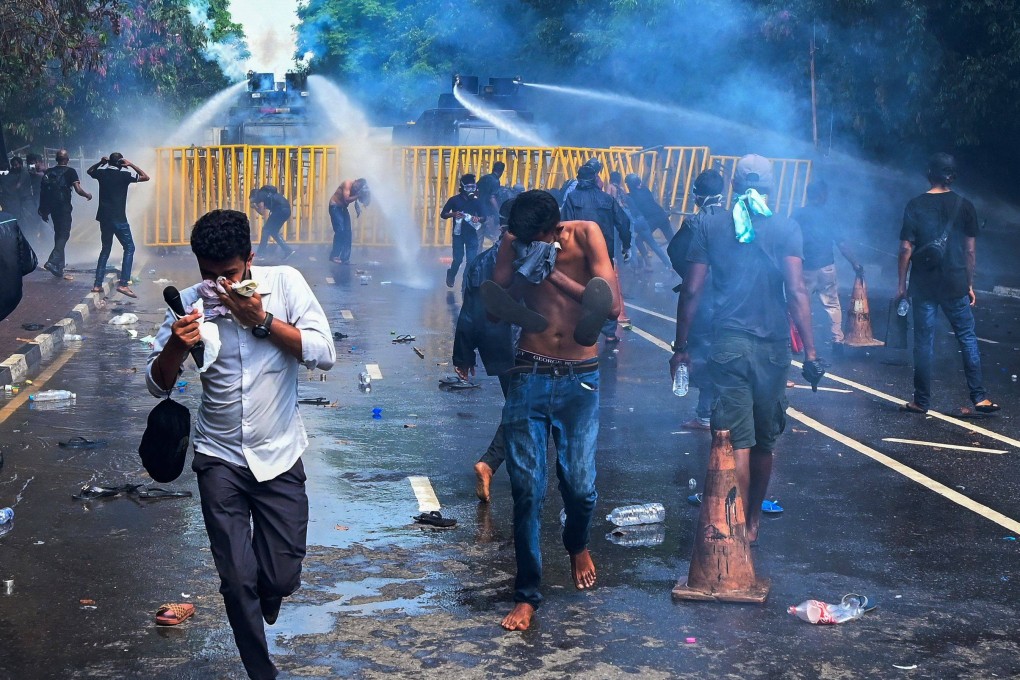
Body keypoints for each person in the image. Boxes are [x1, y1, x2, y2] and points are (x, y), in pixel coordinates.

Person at [146, 209, 335, 679]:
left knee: (280, 576)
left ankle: (269, 592)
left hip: (280, 454)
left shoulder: (286, 283)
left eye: (227, 275)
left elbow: (324, 354)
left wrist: (261, 319)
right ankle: (260, 670)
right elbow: (156, 383)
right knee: (235, 580)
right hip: (218, 457)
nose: (217, 287)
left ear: (250, 259)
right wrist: (175, 343)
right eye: (208, 276)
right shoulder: (189, 301)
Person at [670, 154, 825, 545]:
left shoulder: (710, 224)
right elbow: (797, 291)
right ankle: (752, 523)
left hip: (729, 344)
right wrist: (810, 353)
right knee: (764, 440)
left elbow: (691, 290)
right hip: (773, 348)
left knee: (735, 438)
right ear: (771, 187)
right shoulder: (786, 227)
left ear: (733, 185)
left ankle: (733, 523)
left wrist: (681, 347)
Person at [486, 189, 620, 631]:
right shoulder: (516, 239)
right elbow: (498, 290)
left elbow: (613, 306)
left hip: (581, 377)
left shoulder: (586, 235)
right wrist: (518, 253)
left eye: (539, 239)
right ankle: (527, 596)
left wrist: (552, 274)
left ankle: (576, 542)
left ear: (557, 229)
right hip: (530, 370)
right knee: (528, 490)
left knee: (580, 487)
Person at [897, 152, 999, 415]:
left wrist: (901, 286)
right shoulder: (965, 206)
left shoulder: (915, 204)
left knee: (923, 343)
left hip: (923, 284)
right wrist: (969, 284)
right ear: (952, 176)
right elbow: (970, 252)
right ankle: (979, 398)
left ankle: (921, 401)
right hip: (955, 283)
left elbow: (906, 248)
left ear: (929, 174)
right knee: (967, 338)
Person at [453, 199, 517, 503]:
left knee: (522, 408)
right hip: (528, 348)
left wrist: (464, 355)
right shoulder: (536, 258)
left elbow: (469, 312)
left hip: (498, 348)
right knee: (526, 409)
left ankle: (505, 467)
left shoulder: (480, 262)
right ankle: (491, 464)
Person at [667, 169, 726, 430]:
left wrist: (691, 276)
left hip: (704, 298)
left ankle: (704, 415)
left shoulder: (694, 223)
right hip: (731, 298)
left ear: (696, 195)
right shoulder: (734, 221)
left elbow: (674, 251)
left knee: (701, 350)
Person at [561, 163, 631, 342]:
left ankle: (576, 327)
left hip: (578, 250)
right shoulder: (607, 199)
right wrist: (626, 245)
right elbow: (623, 222)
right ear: (595, 179)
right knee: (606, 289)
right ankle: (609, 332)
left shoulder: (572, 198)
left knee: (578, 287)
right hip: (603, 251)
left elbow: (564, 224)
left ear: (578, 179)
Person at [793, 179, 863, 350]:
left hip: (804, 268)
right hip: (826, 267)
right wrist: (855, 263)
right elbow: (842, 244)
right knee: (832, 304)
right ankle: (837, 339)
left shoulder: (797, 214)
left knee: (801, 303)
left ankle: (797, 342)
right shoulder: (829, 216)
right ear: (822, 195)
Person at [87, 152, 150, 298]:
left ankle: (97, 285)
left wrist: (100, 163)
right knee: (129, 247)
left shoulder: (101, 173)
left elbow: (89, 171)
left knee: (105, 249)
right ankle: (123, 284)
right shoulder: (125, 175)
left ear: (109, 162)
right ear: (121, 163)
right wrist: (131, 164)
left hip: (104, 218)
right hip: (119, 219)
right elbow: (146, 177)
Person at [37, 149, 91, 279]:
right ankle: (53, 261)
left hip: (52, 208)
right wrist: (87, 195)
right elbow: (78, 189)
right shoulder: (70, 171)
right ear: (67, 159)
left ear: (56, 159)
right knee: (64, 234)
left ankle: (59, 267)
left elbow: (43, 192)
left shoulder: (49, 172)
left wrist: (43, 211)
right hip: (64, 207)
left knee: (58, 234)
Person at [440, 173, 484, 288]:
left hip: (471, 234)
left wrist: (477, 218)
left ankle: (466, 281)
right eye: (468, 187)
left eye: (473, 187)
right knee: (458, 259)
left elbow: (484, 217)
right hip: (458, 234)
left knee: (471, 260)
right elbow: (443, 214)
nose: (471, 190)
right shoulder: (454, 200)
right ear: (462, 187)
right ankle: (451, 274)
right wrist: (453, 214)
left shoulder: (476, 202)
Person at [625, 173, 675, 247]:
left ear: (630, 185)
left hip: (653, 220)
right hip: (662, 215)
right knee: (672, 240)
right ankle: (682, 256)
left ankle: (646, 256)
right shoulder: (645, 190)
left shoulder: (631, 196)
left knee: (638, 240)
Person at [328, 178, 369, 264]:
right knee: (340, 230)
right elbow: (347, 199)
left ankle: (344, 258)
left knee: (347, 232)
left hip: (343, 208)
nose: (356, 189)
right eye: (357, 187)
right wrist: (358, 195)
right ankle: (334, 255)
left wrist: (364, 199)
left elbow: (363, 200)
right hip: (335, 207)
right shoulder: (347, 184)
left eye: (359, 188)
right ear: (356, 181)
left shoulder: (358, 189)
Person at [250, 186, 294, 261]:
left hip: (279, 210)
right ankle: (288, 251)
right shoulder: (267, 194)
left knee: (266, 230)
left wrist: (254, 207)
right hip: (286, 210)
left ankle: (261, 254)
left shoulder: (260, 196)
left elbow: (262, 212)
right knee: (273, 231)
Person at [476, 161, 505, 241]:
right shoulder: (495, 181)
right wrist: (499, 211)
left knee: (479, 234)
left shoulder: (484, 178)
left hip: (478, 209)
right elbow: (492, 198)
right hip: (488, 211)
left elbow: (476, 190)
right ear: (501, 171)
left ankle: (477, 252)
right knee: (495, 234)